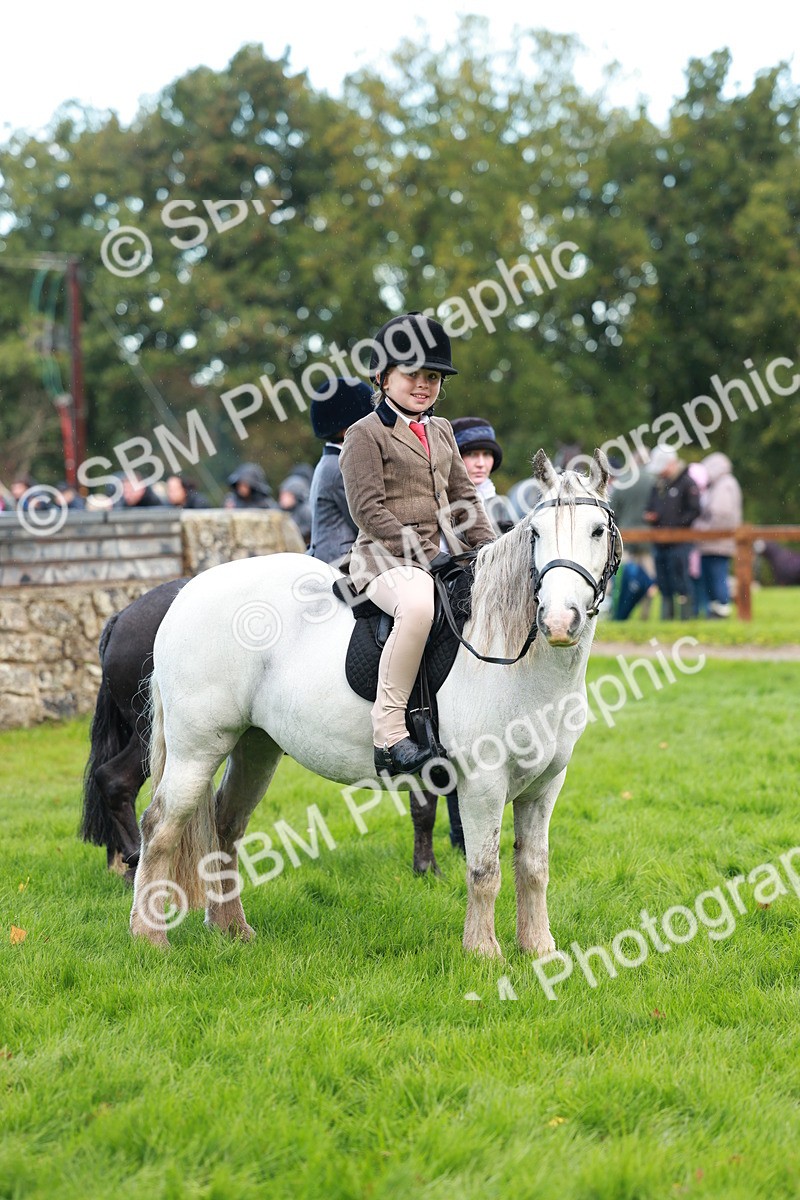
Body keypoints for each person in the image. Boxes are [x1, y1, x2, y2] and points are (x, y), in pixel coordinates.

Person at [339, 312, 496, 777]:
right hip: (384, 560)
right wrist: (429, 556)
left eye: (432, 377)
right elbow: (368, 510)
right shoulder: (364, 434)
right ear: (383, 376)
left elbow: (466, 498)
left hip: (444, 555)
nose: (424, 385)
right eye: (413, 375)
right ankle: (389, 733)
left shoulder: (443, 429)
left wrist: (488, 553)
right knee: (419, 606)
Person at [307, 377, 374, 565]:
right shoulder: (340, 467)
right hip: (340, 561)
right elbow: (364, 521)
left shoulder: (328, 462)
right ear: (348, 430)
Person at [644, 444, 701, 619]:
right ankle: (667, 617)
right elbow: (650, 506)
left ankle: (686, 617)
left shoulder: (687, 483)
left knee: (682, 579)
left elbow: (694, 510)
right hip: (659, 541)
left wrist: (675, 526)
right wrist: (651, 517)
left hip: (680, 542)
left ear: (671, 463)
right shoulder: (659, 485)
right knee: (664, 581)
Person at [693, 452, 742, 618]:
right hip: (713, 543)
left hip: (717, 543)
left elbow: (721, 515)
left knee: (717, 579)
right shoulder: (721, 485)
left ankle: (721, 612)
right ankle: (715, 612)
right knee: (713, 580)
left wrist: (701, 527)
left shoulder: (725, 485)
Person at [609, 451, 657, 620]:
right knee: (649, 579)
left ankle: (619, 613)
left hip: (625, 536)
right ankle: (645, 614)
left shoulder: (622, 482)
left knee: (620, 578)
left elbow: (613, 511)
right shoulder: (654, 481)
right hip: (649, 536)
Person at [450, 417, 515, 534]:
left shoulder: (498, 504)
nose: (481, 464)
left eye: (487, 454)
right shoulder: (442, 501)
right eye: (471, 454)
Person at [278, 472, 312, 545]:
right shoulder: (279, 511)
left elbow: (309, 529)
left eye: (287, 495)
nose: (282, 498)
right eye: (282, 494)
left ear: (296, 495)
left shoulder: (306, 511)